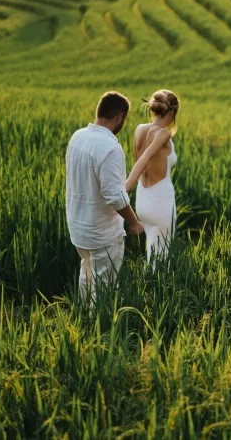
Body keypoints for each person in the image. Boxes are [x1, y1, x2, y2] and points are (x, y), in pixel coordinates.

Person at [66, 91, 144, 305]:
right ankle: (97, 331)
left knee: (87, 274)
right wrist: (134, 222)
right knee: (104, 286)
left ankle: (82, 319)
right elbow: (115, 198)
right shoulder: (110, 148)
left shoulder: (77, 137)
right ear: (119, 117)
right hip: (102, 232)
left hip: (78, 227)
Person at [126, 89, 180, 267]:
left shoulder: (140, 129)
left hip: (143, 201)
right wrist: (125, 188)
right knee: (162, 258)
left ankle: (147, 289)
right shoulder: (163, 134)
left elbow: (138, 158)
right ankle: (156, 292)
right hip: (161, 202)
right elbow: (144, 158)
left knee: (153, 250)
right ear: (171, 112)